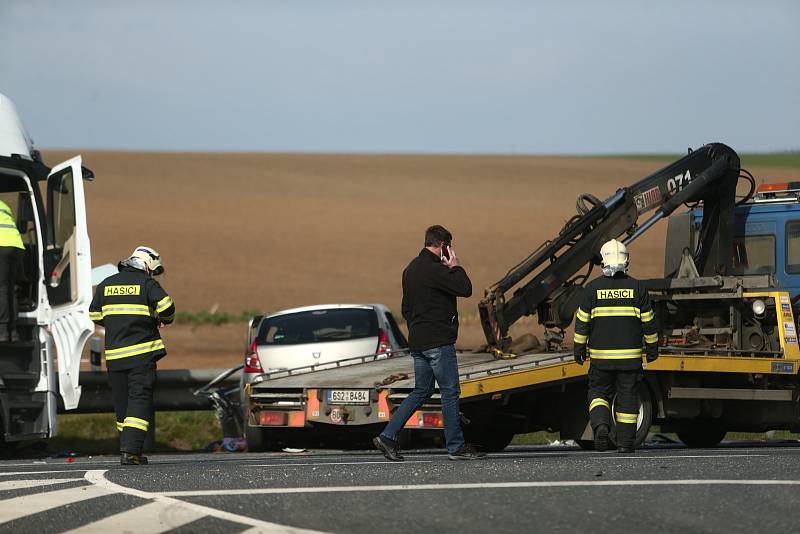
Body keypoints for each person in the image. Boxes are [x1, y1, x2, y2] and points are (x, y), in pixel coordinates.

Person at [373, 225, 486, 461]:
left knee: (422, 391)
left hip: (418, 343)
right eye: (450, 246)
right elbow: (466, 288)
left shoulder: (410, 269)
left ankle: (387, 436)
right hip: (438, 342)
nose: (452, 251)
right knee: (450, 392)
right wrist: (455, 266)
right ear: (443, 245)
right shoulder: (437, 270)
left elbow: (406, 309)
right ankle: (456, 447)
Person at [89, 246, 175, 465]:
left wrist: (117, 322)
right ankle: (131, 451)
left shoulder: (107, 283)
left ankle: (127, 447)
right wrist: (154, 317)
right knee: (139, 399)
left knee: (123, 403)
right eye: (153, 271)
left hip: (115, 357)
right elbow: (168, 307)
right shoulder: (146, 284)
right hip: (141, 355)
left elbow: (95, 314)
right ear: (147, 266)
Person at [573, 238, 658, 453]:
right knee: (627, 399)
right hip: (629, 360)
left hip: (601, 360)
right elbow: (649, 323)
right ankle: (625, 443)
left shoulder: (592, 289)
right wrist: (652, 350)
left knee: (598, 394)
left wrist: (579, 350)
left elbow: (582, 324)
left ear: (604, 261)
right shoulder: (637, 289)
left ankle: (601, 426)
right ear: (626, 261)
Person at [0, 199, 24, 342]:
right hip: (16, 246)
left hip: (2, 245)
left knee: (1, 289)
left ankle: (2, 331)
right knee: (9, 288)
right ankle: (13, 331)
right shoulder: (3, 204)